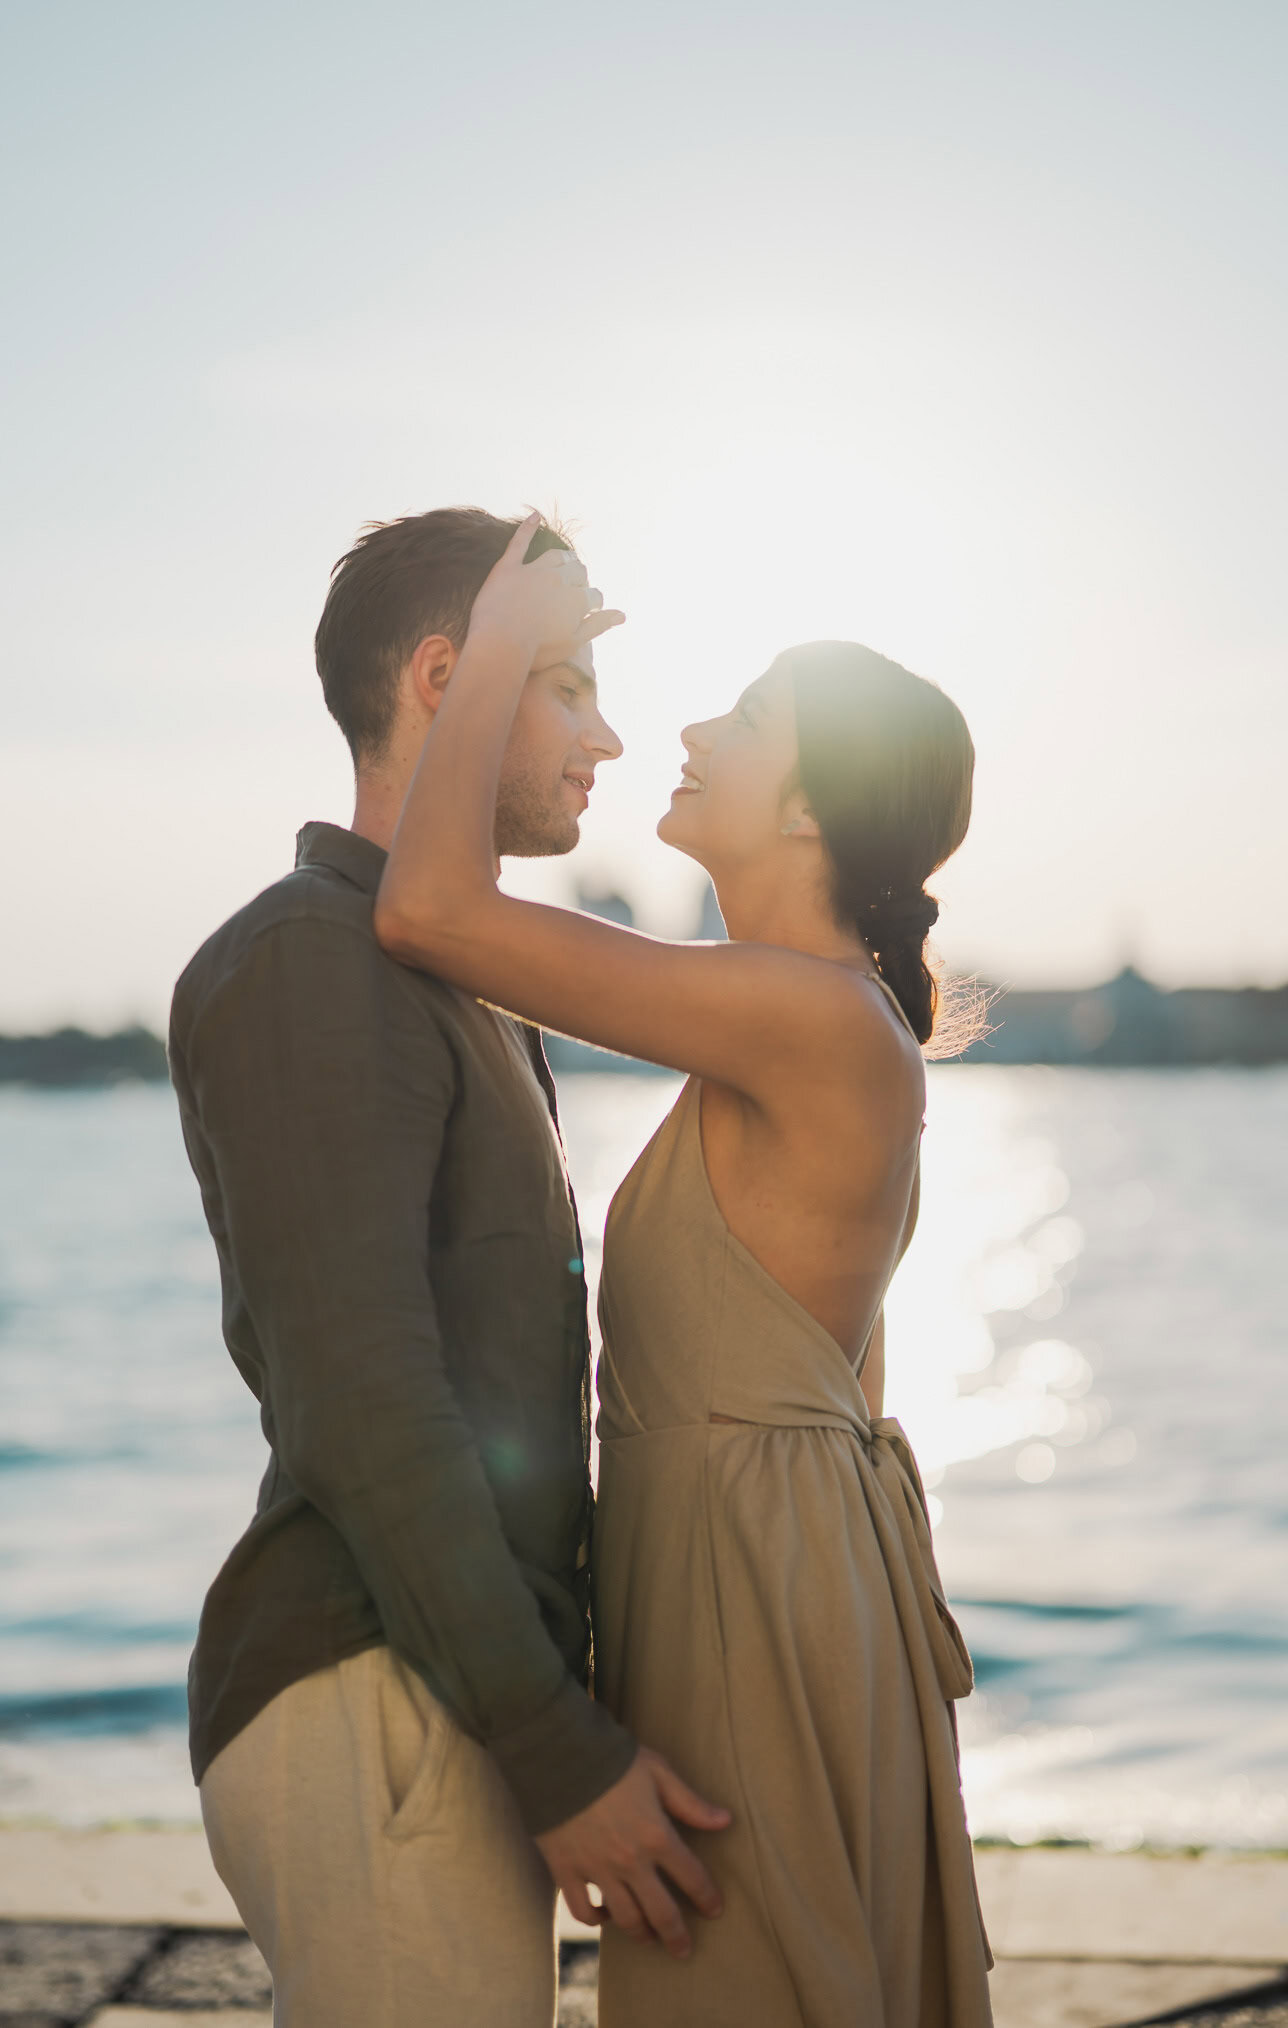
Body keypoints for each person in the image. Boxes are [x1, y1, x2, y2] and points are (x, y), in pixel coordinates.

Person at [375, 516, 995, 2025]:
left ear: (811, 816)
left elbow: (428, 912)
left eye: (752, 718)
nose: (694, 731)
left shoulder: (816, 1022)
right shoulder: (796, 1023)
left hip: (747, 1592)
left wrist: (501, 654)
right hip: (763, 1565)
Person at [168, 507, 729, 2028]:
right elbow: (364, 1403)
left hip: (444, 1692)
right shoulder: (311, 955)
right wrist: (558, 1751)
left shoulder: (461, 981)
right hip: (376, 1701)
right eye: (564, 685)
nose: (605, 736)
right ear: (446, 677)